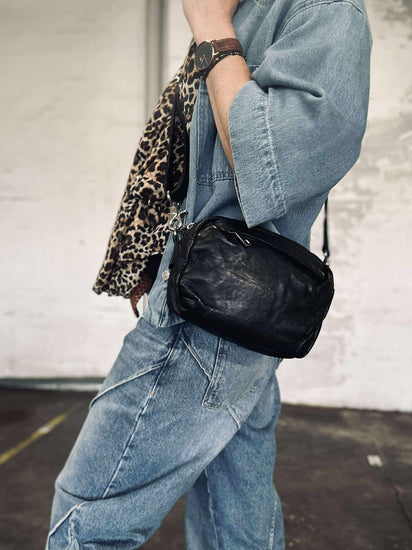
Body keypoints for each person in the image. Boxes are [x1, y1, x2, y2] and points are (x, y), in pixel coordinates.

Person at [45, 0, 372, 548]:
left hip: (211, 312)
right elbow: (190, 153)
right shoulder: (248, 7)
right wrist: (154, 256)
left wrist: (211, 26)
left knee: (86, 518)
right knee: (234, 519)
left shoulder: (322, 10)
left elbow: (277, 161)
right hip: (211, 300)